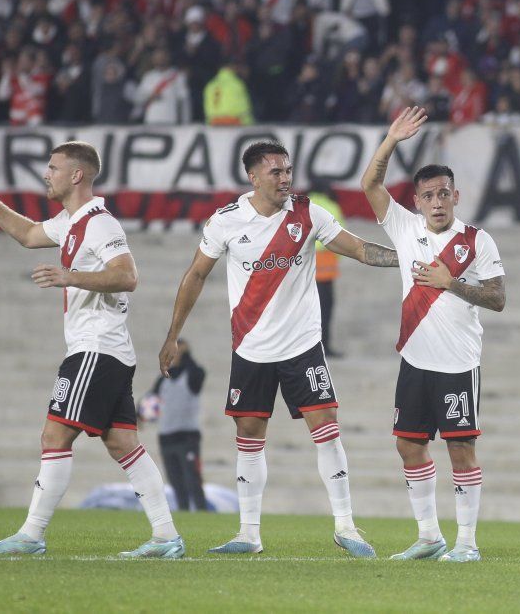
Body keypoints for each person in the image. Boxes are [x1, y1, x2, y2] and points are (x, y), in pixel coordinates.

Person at [158, 141, 398, 557]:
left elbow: (358, 248)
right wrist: (172, 334)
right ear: (253, 177)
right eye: (276, 172)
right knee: (249, 435)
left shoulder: (308, 214)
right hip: (251, 347)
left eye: (288, 170)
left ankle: (346, 526)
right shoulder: (226, 222)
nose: (286, 178)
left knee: (326, 427)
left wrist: (408, 258)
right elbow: (196, 275)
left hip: (302, 345)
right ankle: (249, 534)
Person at [0, 142, 184, 559]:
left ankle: (32, 535)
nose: (46, 174)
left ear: (76, 176)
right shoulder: (70, 221)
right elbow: (29, 234)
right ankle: (166, 537)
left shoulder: (99, 224)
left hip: (95, 348)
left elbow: (127, 276)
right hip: (110, 350)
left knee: (54, 433)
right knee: (123, 444)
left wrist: (69, 276)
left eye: (53, 167)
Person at [360, 106, 507, 563]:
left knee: (461, 448)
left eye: (444, 193)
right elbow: (370, 185)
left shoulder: (476, 241)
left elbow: (499, 298)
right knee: (408, 444)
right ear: (418, 201)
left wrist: (452, 283)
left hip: (459, 364)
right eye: (428, 196)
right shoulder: (404, 228)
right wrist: (390, 141)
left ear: (456, 196)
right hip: (415, 361)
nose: (437, 202)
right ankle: (429, 537)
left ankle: (467, 543)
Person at [149, 338, 209, 512]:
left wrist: (186, 355)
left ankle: (202, 512)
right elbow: (150, 402)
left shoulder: (192, 375)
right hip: (166, 437)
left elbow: (199, 373)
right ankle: (184, 512)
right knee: (176, 481)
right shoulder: (163, 380)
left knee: (193, 479)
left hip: (188, 437)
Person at [307, 183, 345, 357]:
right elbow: (341, 236)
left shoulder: (303, 204)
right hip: (325, 266)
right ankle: (324, 347)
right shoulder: (331, 206)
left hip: (304, 263)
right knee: (325, 308)